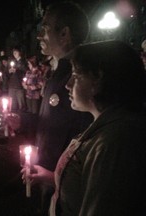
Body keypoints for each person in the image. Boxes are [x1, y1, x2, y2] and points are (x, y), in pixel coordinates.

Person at [22, 40, 146, 216]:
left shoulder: (114, 142)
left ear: (98, 79)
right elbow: (87, 187)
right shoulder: (105, 127)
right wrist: (52, 177)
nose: (68, 84)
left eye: (76, 75)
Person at [33, 2, 93, 214]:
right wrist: (21, 120)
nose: (40, 36)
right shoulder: (57, 71)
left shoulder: (84, 78)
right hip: (47, 174)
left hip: (65, 188)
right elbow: (49, 120)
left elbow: (85, 140)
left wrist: (53, 176)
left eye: (46, 28)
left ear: (64, 33)